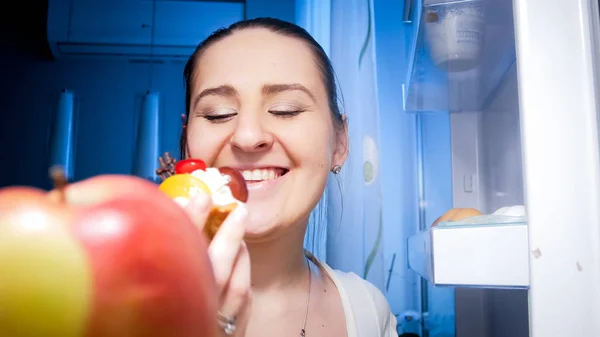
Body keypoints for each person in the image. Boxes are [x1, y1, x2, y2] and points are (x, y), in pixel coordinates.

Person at [180, 17, 398, 337]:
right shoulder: (116, 301)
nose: (248, 136)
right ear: (187, 143)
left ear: (339, 143)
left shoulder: (367, 311)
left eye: (286, 109)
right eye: (218, 114)